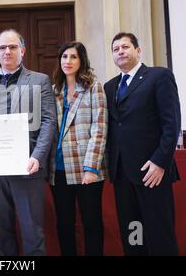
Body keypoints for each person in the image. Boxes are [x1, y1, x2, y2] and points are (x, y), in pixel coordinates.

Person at [0, 29, 57, 255]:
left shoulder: (40, 80)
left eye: (12, 47)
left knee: (32, 230)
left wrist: (37, 156)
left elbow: (49, 121)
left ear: (23, 51)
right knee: (1, 229)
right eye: (2, 48)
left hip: (27, 166)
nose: (7, 51)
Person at [104, 32, 181, 256]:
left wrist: (160, 162)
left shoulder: (159, 76)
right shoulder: (110, 87)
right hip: (122, 175)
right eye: (116, 49)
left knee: (159, 233)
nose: (120, 51)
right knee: (133, 234)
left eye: (125, 47)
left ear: (138, 50)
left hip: (152, 172)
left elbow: (172, 123)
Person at [49, 41, 108, 256]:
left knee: (91, 223)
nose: (68, 61)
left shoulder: (94, 87)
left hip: (86, 169)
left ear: (81, 60)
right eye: (64, 57)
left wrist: (91, 168)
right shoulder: (54, 89)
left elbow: (99, 128)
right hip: (58, 168)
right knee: (64, 224)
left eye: (73, 57)